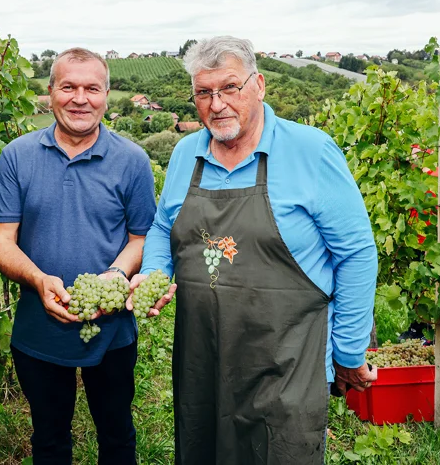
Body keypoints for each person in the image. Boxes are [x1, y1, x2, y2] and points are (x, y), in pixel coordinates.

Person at [128, 36, 378, 464]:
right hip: (202, 362)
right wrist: (153, 271)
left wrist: (349, 353)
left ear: (259, 85)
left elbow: (356, 253)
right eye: (204, 92)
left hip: (286, 363)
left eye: (230, 88)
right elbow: (162, 225)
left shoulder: (311, 151)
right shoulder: (186, 153)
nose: (217, 103)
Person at [0, 47, 156, 465]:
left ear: (106, 94)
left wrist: (116, 273)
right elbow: (1, 241)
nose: (80, 98)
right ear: (50, 93)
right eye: (69, 87)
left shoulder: (132, 161)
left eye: (92, 88)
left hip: (112, 333)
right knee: (48, 440)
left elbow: (141, 238)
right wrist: (39, 280)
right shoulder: (17, 156)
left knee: (117, 436)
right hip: (38, 331)